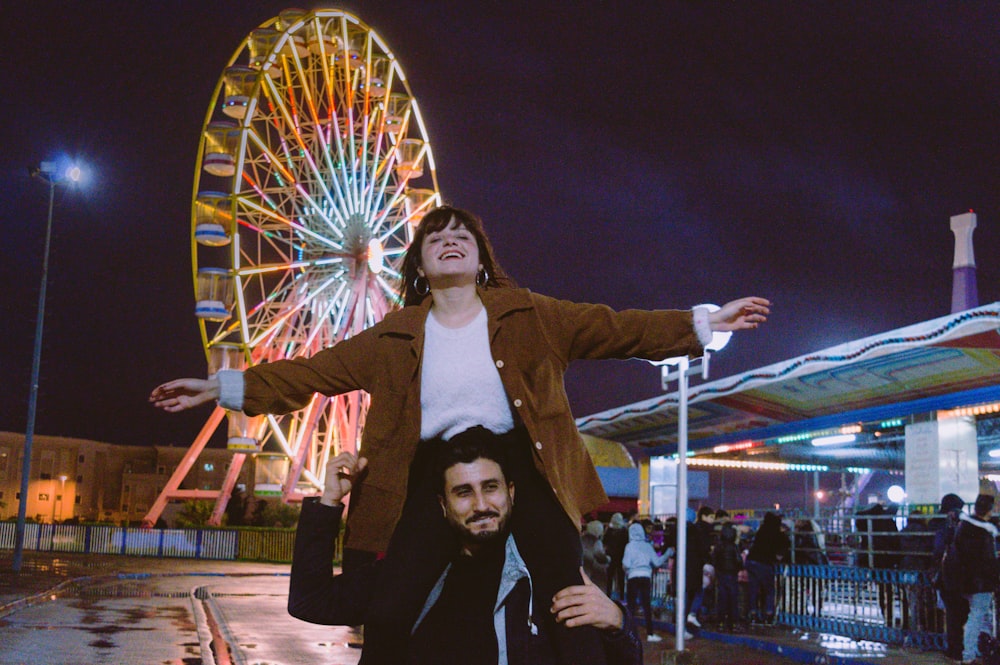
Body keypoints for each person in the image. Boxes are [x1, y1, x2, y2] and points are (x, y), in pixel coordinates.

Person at [150, 205, 770, 663]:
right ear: (419, 264)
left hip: (522, 469)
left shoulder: (531, 314)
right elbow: (312, 373)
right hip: (432, 476)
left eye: (462, 236)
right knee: (390, 609)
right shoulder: (393, 334)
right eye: (436, 239)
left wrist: (703, 324)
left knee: (568, 605)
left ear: (480, 256)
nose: (450, 242)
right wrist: (220, 388)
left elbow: (616, 329)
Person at [288, 427, 643, 664]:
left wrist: (617, 623)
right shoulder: (407, 577)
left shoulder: (544, 582)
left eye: (491, 487)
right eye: (463, 492)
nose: (481, 505)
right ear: (443, 505)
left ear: (511, 493)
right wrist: (330, 503)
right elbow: (310, 601)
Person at [955, 493, 999, 664]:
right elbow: (988, 560)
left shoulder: (964, 526)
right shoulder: (984, 531)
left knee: (977, 616)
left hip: (966, 579)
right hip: (981, 581)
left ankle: (977, 650)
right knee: (977, 617)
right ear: (990, 509)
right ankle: (970, 655)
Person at [933, 493, 968, 661]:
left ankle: (953, 646)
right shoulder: (963, 528)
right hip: (958, 576)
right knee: (958, 613)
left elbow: (938, 551)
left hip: (946, 576)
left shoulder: (938, 525)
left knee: (953, 613)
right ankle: (958, 647)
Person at [623, 521, 670, 643]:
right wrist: (668, 553)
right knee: (646, 605)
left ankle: (628, 633)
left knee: (631, 607)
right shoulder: (647, 546)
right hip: (645, 576)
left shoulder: (629, 546)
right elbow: (657, 562)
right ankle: (650, 633)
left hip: (633, 576)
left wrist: (628, 571)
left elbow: (626, 564)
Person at [745, 512, 789, 623]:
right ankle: (768, 614)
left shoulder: (761, 531)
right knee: (769, 590)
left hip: (751, 561)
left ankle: (753, 613)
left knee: (753, 589)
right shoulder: (778, 535)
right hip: (764, 563)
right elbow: (782, 552)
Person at [711, 522, 743, 631]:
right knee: (733, 599)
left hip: (721, 574)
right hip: (732, 574)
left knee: (722, 598)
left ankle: (720, 622)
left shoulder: (719, 546)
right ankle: (734, 623)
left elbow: (714, 559)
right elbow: (739, 560)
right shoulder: (734, 547)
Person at [603, 513, 629, 599]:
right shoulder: (624, 531)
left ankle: (608, 594)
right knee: (620, 577)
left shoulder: (609, 530)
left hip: (611, 556)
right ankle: (621, 595)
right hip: (621, 556)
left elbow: (604, 541)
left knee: (610, 577)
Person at [582, 519, 610, 592]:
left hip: (582, 572)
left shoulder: (581, 539)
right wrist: (608, 558)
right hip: (593, 573)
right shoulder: (596, 542)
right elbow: (599, 556)